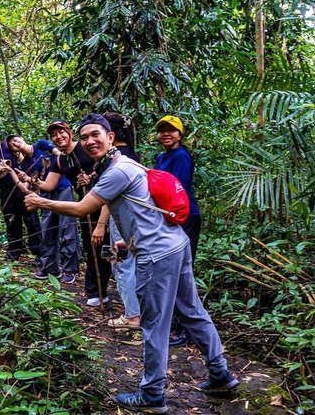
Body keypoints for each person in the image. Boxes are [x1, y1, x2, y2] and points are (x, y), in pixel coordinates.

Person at [24, 114, 239, 413]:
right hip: (175, 243)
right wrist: (130, 241)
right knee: (192, 311)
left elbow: (82, 207)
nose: (89, 141)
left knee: (154, 324)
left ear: (111, 137)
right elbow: (145, 212)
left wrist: (41, 201)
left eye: (95, 134)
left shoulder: (116, 172)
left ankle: (152, 393)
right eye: (84, 137)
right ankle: (220, 374)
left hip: (157, 255)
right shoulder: (127, 164)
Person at [32, 119, 109, 304]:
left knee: (108, 247)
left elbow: (107, 168)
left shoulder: (85, 148)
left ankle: (105, 291)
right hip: (85, 207)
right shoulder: (59, 160)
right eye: (54, 135)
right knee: (92, 247)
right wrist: (31, 181)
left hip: (106, 205)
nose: (58, 137)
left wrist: (91, 177)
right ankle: (96, 292)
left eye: (61, 133)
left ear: (69, 133)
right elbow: (48, 185)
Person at [155, 115, 201, 348]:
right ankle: (176, 321)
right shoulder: (161, 156)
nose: (166, 134)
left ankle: (187, 328)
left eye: (171, 131)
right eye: (162, 130)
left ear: (180, 135)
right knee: (170, 270)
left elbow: (176, 188)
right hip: (169, 217)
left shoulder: (181, 156)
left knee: (182, 271)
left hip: (185, 216)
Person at [7, 134, 80, 282]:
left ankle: (70, 269)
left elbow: (60, 155)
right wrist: (22, 177)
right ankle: (50, 268)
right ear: (15, 151)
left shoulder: (40, 145)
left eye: (16, 140)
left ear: (22, 138)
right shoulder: (26, 164)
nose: (16, 143)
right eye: (12, 145)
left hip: (62, 188)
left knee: (68, 228)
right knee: (48, 230)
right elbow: (28, 187)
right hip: (45, 194)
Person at [102, 112, 141, 330]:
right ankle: (133, 311)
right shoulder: (131, 154)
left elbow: (107, 198)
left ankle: (133, 316)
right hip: (128, 221)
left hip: (120, 221)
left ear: (111, 134)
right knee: (124, 263)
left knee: (122, 264)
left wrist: (100, 225)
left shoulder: (118, 158)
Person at [0, 124, 41, 260]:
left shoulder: (7, 145)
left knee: (30, 218)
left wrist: (27, 178)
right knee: (11, 219)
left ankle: (39, 253)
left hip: (18, 184)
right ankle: (14, 252)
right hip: (5, 189)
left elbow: (22, 160)